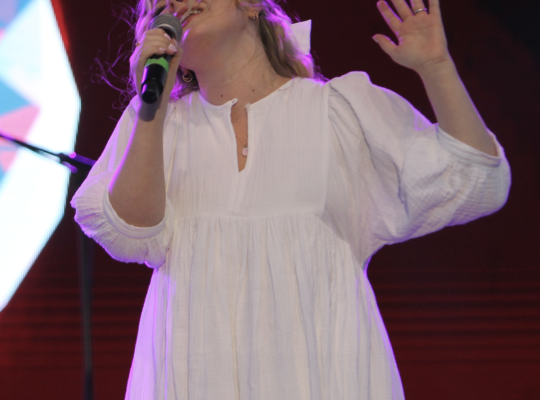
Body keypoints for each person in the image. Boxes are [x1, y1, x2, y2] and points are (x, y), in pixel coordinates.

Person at [72, 0, 511, 398]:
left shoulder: (338, 110)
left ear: (250, 6)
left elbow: (474, 181)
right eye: (160, 3)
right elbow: (130, 234)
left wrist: (437, 68)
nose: (175, 2)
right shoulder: (156, 126)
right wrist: (151, 106)